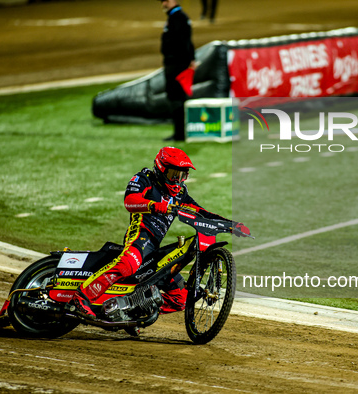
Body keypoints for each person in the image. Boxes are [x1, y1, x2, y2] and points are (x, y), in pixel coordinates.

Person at [71, 147, 250, 319]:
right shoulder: (144, 178)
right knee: (128, 265)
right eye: (174, 175)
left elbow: (201, 213)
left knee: (181, 297)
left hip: (155, 248)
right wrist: (159, 206)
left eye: (182, 176)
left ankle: (135, 312)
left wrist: (231, 225)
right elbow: (130, 201)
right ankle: (82, 297)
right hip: (140, 236)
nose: (177, 181)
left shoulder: (181, 194)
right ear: (161, 169)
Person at [159, 0, 196, 142]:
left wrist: (186, 61)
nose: (163, 4)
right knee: (178, 97)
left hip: (176, 65)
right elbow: (188, 42)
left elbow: (183, 43)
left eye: (166, 1)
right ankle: (180, 132)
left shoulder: (177, 18)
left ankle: (180, 134)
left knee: (176, 98)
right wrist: (191, 59)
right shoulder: (179, 18)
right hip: (179, 64)